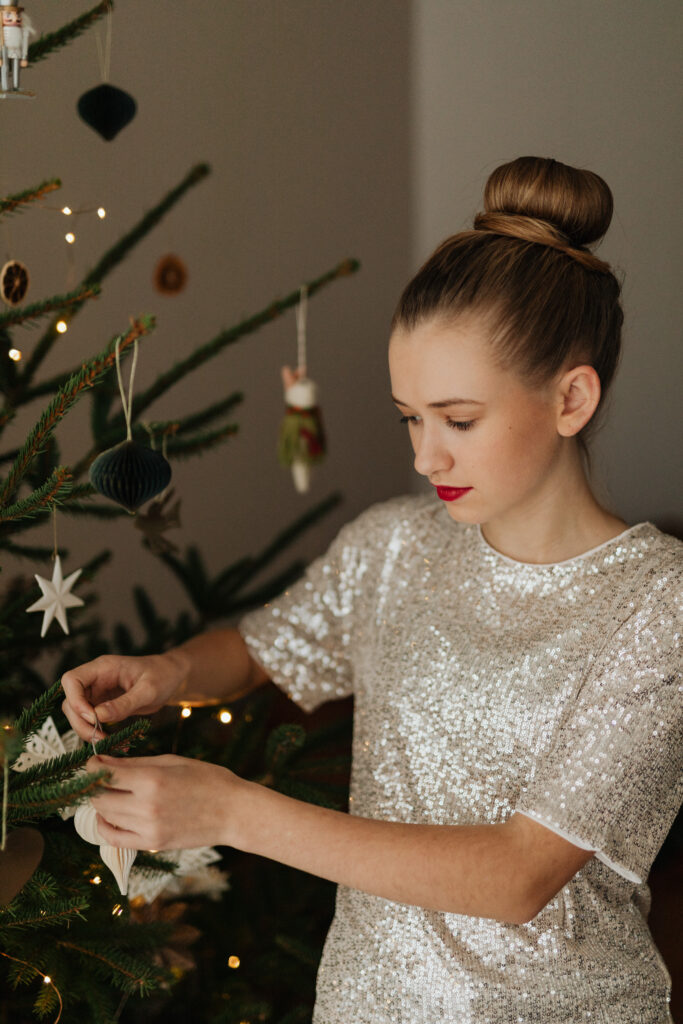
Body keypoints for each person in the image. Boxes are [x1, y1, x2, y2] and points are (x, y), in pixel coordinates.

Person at [62, 156, 682, 1024]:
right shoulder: (393, 544)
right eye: (411, 419)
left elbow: (516, 877)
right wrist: (169, 669)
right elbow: (258, 650)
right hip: (364, 1004)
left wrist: (233, 811)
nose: (426, 457)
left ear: (571, 397)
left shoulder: (656, 604)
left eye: (459, 421)